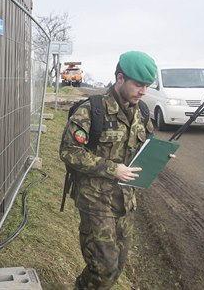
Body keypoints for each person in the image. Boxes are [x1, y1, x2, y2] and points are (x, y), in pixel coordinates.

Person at [59, 51, 158, 289]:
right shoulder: (92, 110)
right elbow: (69, 151)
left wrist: (160, 153)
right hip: (96, 201)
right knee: (103, 269)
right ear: (120, 78)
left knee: (117, 268)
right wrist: (113, 169)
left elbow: (146, 144)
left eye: (147, 86)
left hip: (125, 201)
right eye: (139, 85)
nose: (143, 91)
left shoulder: (142, 112)